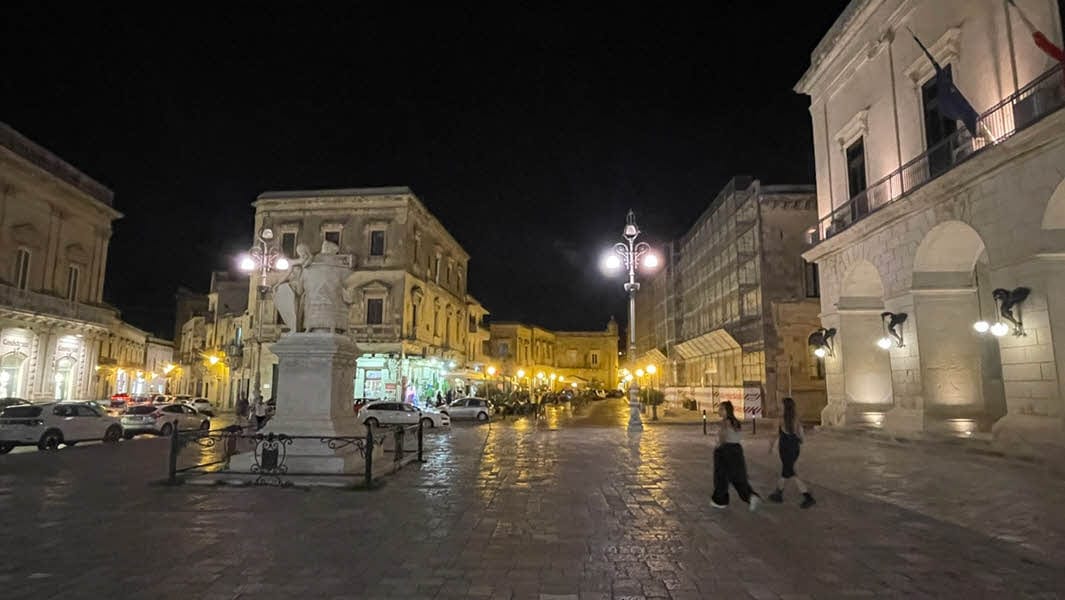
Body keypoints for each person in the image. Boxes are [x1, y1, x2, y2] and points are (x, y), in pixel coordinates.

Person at [711, 401, 761, 511]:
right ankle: (750, 496)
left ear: (725, 410)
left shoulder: (725, 422)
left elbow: (722, 438)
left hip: (725, 451)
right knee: (738, 476)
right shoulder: (736, 422)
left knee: (721, 476)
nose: (719, 410)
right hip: (737, 450)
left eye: (720, 408)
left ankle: (720, 500)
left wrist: (718, 446)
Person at [768, 397, 816, 509]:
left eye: (781, 405)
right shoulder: (796, 418)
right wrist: (801, 441)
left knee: (792, 472)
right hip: (794, 448)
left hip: (785, 449)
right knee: (786, 471)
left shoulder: (780, 420)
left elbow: (774, 435)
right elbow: (801, 433)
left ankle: (807, 497)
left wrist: (770, 447)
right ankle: (778, 493)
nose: (779, 406)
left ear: (785, 407)